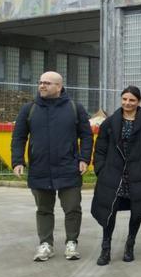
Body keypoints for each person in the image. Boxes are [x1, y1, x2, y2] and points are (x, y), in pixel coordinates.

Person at [11, 71, 93, 262]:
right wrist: (17, 161)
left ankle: (71, 242)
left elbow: (86, 136)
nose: (42, 86)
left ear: (59, 87)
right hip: (40, 168)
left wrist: (84, 159)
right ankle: (46, 244)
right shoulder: (29, 109)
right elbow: (19, 137)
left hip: (68, 168)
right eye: (40, 82)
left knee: (72, 207)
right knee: (43, 209)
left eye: (47, 83)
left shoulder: (75, 108)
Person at [91, 86, 141, 265]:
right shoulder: (110, 122)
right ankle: (105, 249)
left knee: (137, 211)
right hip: (114, 174)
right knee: (110, 211)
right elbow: (100, 148)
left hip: (138, 174)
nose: (127, 103)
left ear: (139, 102)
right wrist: (100, 169)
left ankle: (130, 245)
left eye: (132, 100)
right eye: (124, 99)